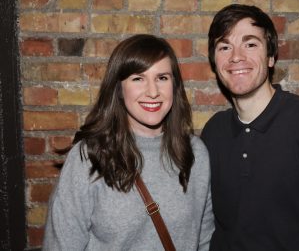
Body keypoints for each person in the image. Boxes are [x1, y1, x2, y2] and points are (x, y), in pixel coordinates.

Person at [201, 4, 299, 251]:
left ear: (271, 56)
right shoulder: (213, 132)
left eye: (250, 43)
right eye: (224, 47)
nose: (236, 56)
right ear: (215, 61)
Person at [43, 34, 214, 250]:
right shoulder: (89, 157)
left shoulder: (195, 153)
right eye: (138, 78)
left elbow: (205, 240)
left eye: (162, 78)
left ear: (175, 85)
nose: (153, 92)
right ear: (119, 90)